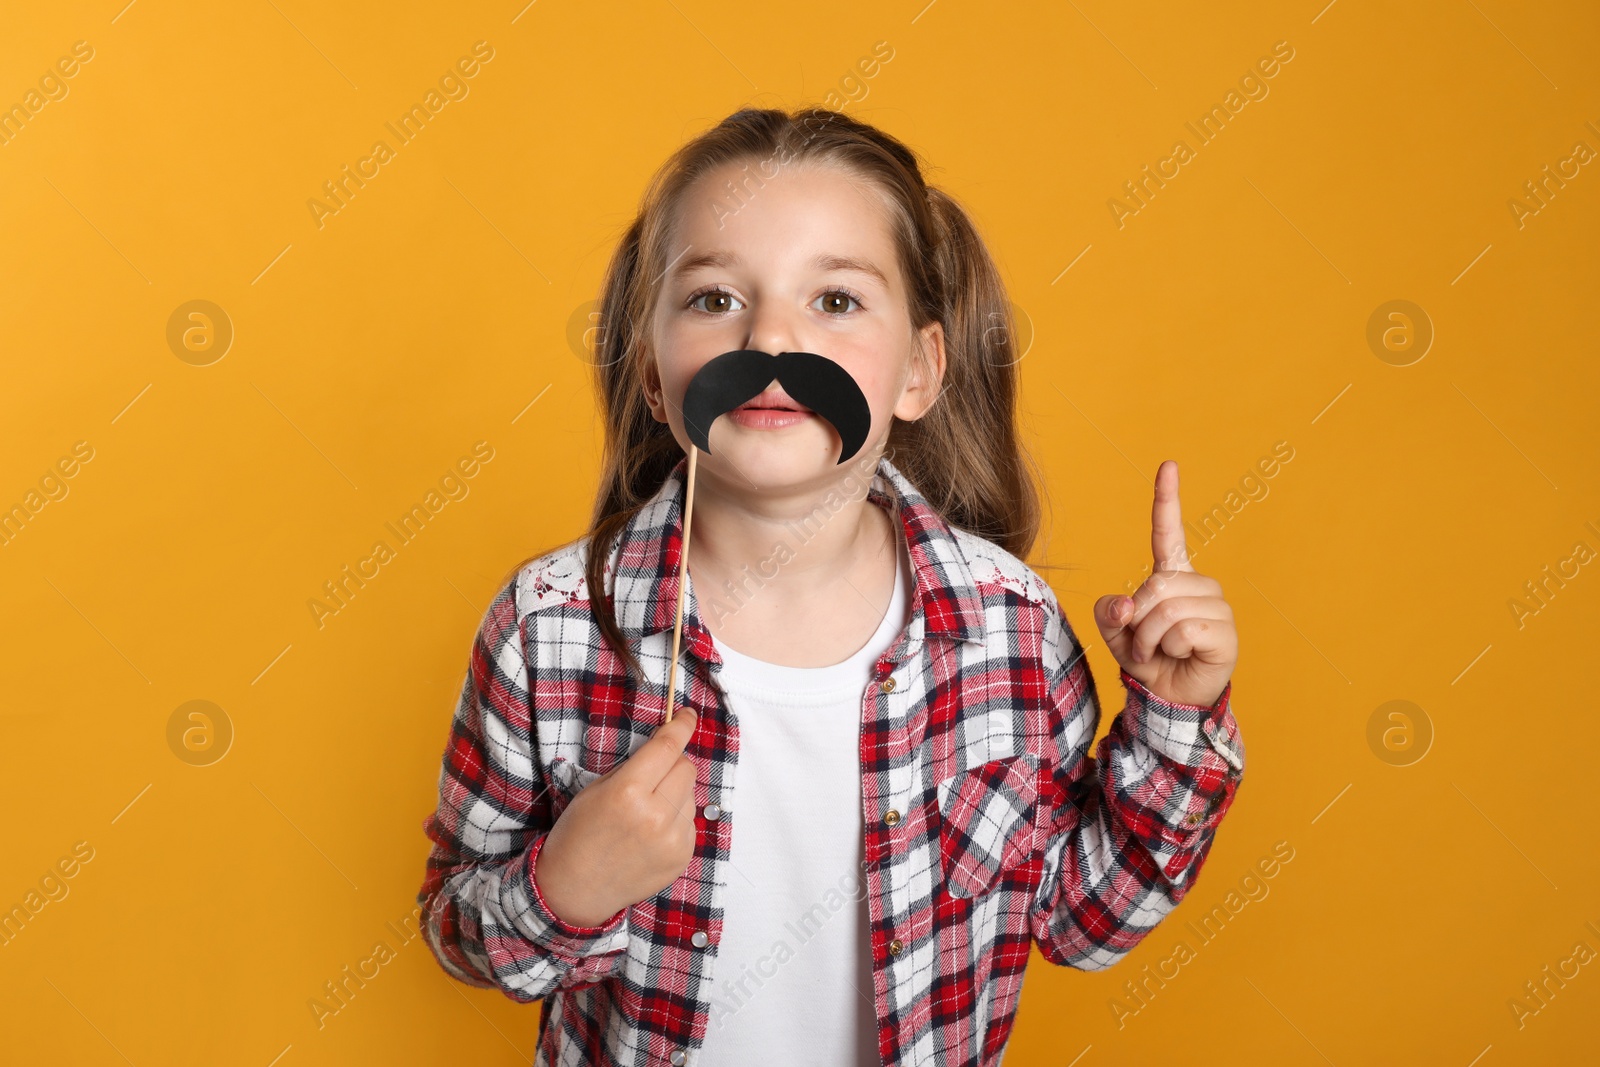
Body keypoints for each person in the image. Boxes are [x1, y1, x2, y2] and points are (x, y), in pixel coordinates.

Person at [415, 105, 1245, 1066]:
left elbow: (1086, 922)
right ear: (653, 374)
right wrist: (565, 887)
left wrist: (1176, 722)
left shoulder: (1008, 628)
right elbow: (455, 921)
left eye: (837, 301)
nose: (771, 340)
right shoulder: (548, 629)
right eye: (715, 299)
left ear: (919, 372)